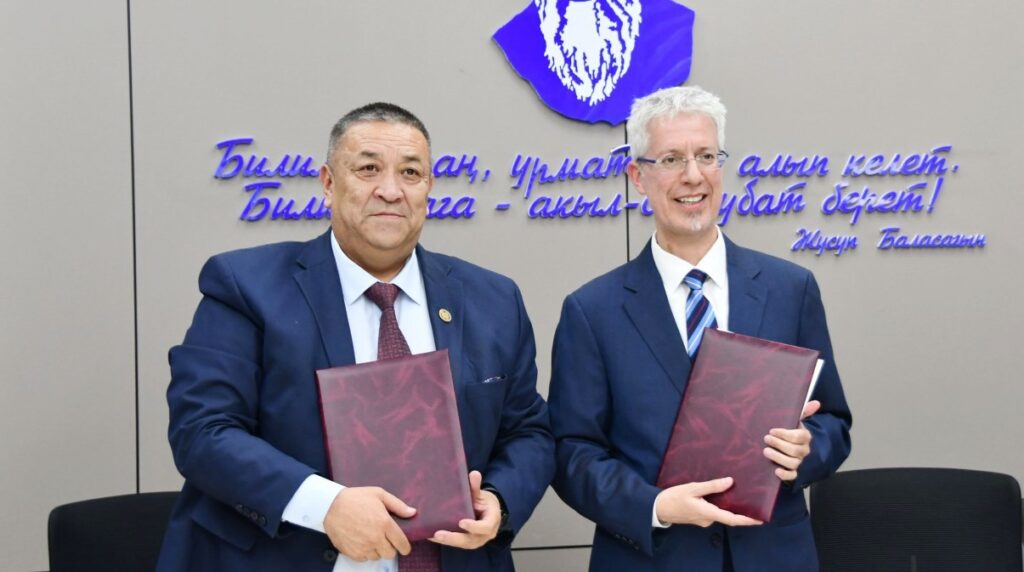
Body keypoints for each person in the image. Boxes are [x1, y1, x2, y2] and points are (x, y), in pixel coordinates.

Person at [157, 102, 554, 572]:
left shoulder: (493, 299)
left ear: (428, 188)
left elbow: (528, 431)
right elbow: (203, 429)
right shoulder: (246, 286)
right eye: (368, 169)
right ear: (328, 183)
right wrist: (325, 506)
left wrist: (499, 500)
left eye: (410, 172)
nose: (390, 190)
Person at [547, 86, 852, 571]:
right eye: (671, 159)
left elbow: (833, 421)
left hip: (773, 556)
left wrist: (807, 449)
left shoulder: (790, 289)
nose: (693, 175)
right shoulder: (592, 311)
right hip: (652, 559)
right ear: (638, 176)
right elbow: (571, 452)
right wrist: (654, 506)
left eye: (706, 156)